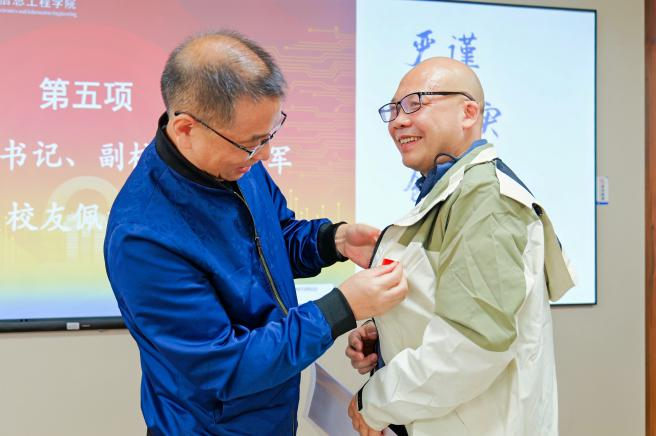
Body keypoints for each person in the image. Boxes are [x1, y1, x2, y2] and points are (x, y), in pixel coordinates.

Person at [103, 30, 408, 436]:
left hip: (272, 416)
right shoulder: (143, 237)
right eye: (252, 143)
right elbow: (226, 367)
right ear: (186, 129)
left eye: (269, 136)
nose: (264, 154)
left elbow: (272, 240)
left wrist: (331, 241)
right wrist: (340, 308)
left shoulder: (234, 162)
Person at [345, 57, 576, 436]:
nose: (397, 121)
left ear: (468, 113)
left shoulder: (487, 201)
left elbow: (473, 344)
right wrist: (386, 331)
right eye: (393, 109)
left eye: (414, 104)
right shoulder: (452, 189)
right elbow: (445, 295)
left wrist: (376, 402)